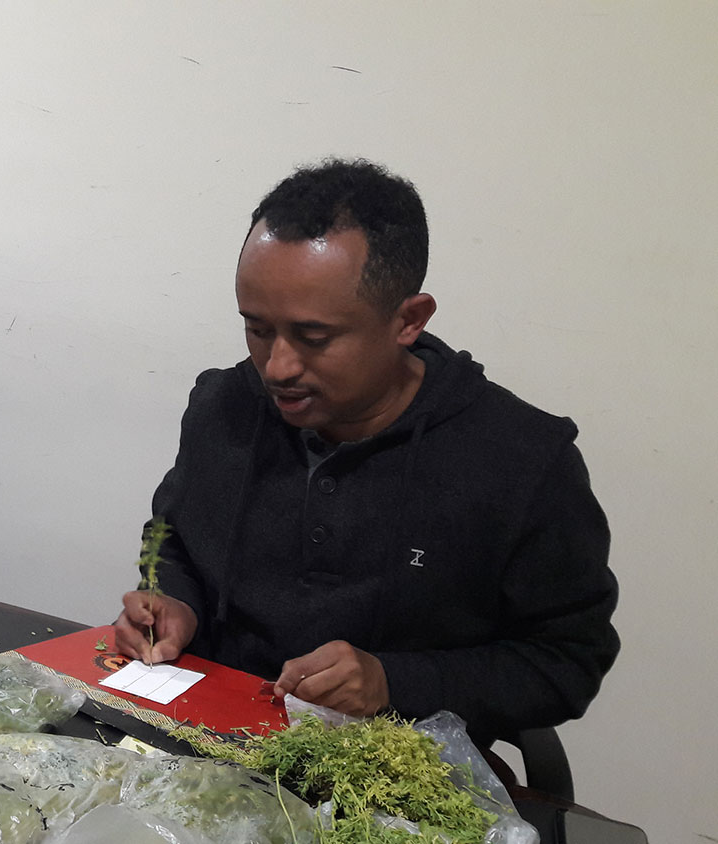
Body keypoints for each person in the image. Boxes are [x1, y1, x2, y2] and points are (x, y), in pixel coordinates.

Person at [113, 159, 618, 743]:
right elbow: (170, 539)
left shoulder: (522, 461)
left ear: (409, 320)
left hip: (398, 773)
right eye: (257, 328)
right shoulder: (223, 405)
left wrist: (394, 682)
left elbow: (568, 662)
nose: (277, 366)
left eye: (314, 337)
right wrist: (170, 601)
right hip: (206, 737)